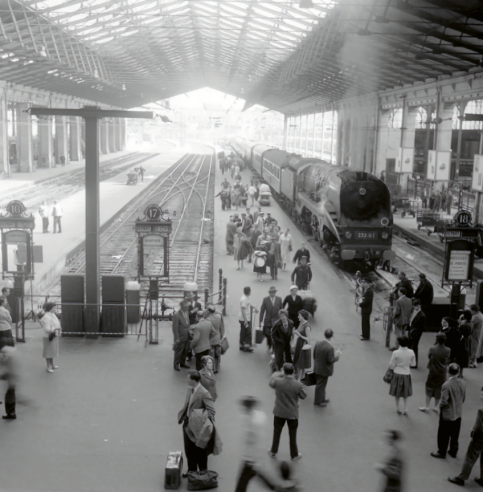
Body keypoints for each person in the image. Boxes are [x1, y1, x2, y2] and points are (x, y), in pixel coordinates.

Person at [177, 371, 216, 474]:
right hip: (187, 424)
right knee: (189, 449)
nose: (186, 380)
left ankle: (203, 472)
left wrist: (199, 417)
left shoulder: (204, 393)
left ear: (194, 380)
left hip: (198, 426)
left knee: (200, 449)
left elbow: (211, 411)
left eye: (188, 378)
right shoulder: (190, 389)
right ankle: (191, 471)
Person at [268, 363, 306, 461]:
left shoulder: (277, 381)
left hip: (279, 412)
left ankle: (273, 451)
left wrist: (278, 373)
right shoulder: (297, 384)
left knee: (276, 433)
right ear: (293, 371)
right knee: (292, 435)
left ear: (284, 371)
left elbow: (270, 382)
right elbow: (303, 396)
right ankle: (294, 455)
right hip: (292, 414)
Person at [448, 386, 483, 486]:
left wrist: (473, 431)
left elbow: (479, 427)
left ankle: (462, 477)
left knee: (470, 457)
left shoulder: (481, 411)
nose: (481, 396)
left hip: (480, 438)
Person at [431, 363, 466, 459]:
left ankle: (442, 451)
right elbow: (463, 398)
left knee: (443, 433)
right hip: (458, 412)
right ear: (458, 372)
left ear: (448, 372)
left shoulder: (446, 385)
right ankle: (453, 451)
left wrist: (441, 407)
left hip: (448, 413)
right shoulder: (463, 383)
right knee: (455, 433)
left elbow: (444, 401)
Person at [234, 396, 267, 492]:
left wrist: (249, 457)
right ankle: (275, 487)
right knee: (253, 474)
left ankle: (276, 487)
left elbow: (252, 440)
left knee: (243, 480)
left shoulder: (253, 421)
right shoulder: (256, 416)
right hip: (251, 456)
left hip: (250, 456)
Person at [420, 332, 451, 413]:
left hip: (432, 371)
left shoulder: (432, 348)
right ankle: (435, 406)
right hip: (442, 372)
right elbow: (448, 359)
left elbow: (429, 356)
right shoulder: (448, 350)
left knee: (429, 387)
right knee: (439, 388)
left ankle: (427, 405)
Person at [388, 336, 416, 415]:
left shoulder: (395, 353)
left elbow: (391, 365)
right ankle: (406, 408)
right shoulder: (411, 352)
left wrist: (396, 365)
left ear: (399, 343)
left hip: (397, 373)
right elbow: (414, 364)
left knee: (397, 392)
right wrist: (407, 364)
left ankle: (398, 408)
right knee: (405, 392)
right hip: (406, 374)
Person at [313, 329, 341, 407]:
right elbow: (330, 360)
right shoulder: (330, 348)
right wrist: (337, 356)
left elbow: (314, 354)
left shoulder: (318, 343)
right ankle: (318, 401)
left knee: (320, 384)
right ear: (331, 336)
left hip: (317, 367)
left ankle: (322, 397)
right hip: (324, 370)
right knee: (321, 385)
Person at [259, 287, 282, 351]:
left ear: (275, 292)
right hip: (268, 320)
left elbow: (281, 310)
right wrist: (260, 321)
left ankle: (274, 346)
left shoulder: (279, 299)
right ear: (269, 293)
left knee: (275, 334)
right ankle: (269, 344)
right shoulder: (265, 299)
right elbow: (262, 310)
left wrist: (282, 319)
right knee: (268, 334)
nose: (272, 293)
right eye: (270, 292)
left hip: (276, 320)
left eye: (273, 292)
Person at [40, 302, 61, 373]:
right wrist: (55, 329)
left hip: (53, 335)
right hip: (48, 336)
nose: (55, 309)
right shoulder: (47, 317)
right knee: (48, 352)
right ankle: (48, 366)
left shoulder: (52, 315)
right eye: (54, 308)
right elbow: (47, 328)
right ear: (50, 309)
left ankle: (52, 364)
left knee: (52, 351)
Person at [0, 346, 19, 420]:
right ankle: (11, 412)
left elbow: (6, 370)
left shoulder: (9, 360)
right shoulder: (12, 359)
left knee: (9, 397)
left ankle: (11, 413)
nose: (3, 355)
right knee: (11, 396)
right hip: (12, 381)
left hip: (12, 381)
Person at [172, 300, 192, 371]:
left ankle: (183, 362)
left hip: (186, 335)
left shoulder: (186, 312)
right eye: (186, 307)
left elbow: (187, 323)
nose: (188, 308)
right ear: (182, 307)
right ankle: (176, 364)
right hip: (180, 337)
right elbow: (175, 328)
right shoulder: (176, 315)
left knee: (186, 350)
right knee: (179, 351)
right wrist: (177, 338)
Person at [407, 299, 426, 368]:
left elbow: (421, 328)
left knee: (414, 348)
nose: (415, 307)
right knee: (410, 347)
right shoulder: (414, 311)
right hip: (411, 331)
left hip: (415, 334)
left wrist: (416, 334)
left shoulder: (421, 315)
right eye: (414, 306)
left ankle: (414, 363)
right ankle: (411, 362)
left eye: (417, 306)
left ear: (420, 306)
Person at [293, 310, 311, 381]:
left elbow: (308, 339)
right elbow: (297, 331)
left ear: (303, 316)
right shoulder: (301, 323)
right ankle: (302, 378)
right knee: (299, 363)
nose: (298, 317)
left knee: (300, 364)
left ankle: (299, 380)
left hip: (303, 346)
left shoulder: (307, 326)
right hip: (299, 344)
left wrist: (299, 334)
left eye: (299, 316)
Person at [239, 287, 258, 353]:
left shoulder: (246, 297)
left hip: (244, 318)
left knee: (243, 332)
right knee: (248, 332)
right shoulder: (244, 299)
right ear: (249, 292)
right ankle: (246, 346)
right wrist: (245, 320)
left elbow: (249, 303)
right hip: (245, 319)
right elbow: (243, 309)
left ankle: (242, 345)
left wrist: (254, 307)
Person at [206, 305, 224, 373]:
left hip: (211, 338)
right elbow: (221, 327)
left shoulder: (208, 319)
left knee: (211, 354)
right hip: (218, 337)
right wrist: (221, 335)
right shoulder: (219, 317)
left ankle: (212, 368)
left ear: (208, 311)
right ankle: (217, 367)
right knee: (218, 354)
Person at [456, 310, 473, 379]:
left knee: (460, 358)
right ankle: (461, 373)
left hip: (463, 342)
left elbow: (459, 333)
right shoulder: (471, 323)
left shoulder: (464, 325)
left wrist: (460, 321)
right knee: (464, 357)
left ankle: (459, 373)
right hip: (468, 341)